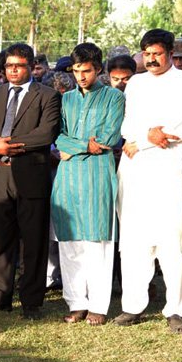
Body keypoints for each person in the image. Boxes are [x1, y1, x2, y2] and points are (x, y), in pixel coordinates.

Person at [114, 29, 182, 333]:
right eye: (146, 54)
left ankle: (176, 310)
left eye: (156, 54)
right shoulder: (135, 83)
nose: (150, 60)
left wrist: (146, 139)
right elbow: (127, 125)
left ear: (171, 53)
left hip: (171, 169)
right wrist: (145, 135)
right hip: (136, 170)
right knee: (135, 240)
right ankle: (132, 306)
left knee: (174, 240)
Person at [0, 42, 61, 319]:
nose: (14, 70)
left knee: (33, 242)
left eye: (20, 66)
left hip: (31, 174)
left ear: (31, 67)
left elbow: (46, 133)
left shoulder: (47, 95)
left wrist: (10, 144)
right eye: (10, 66)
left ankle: (31, 301)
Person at [50, 43, 124, 325]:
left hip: (97, 175)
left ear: (99, 70)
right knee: (70, 242)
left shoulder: (114, 98)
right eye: (77, 71)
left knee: (97, 242)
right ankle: (76, 302)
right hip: (68, 178)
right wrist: (83, 145)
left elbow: (107, 137)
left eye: (87, 71)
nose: (81, 76)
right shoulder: (66, 99)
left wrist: (74, 147)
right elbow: (59, 137)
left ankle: (98, 305)